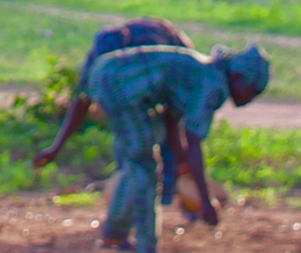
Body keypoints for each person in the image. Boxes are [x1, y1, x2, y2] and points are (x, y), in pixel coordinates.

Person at [85, 43, 272, 253]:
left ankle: (115, 235)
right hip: (119, 86)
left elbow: (173, 119)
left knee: (139, 160)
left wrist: (182, 164)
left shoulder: (205, 72)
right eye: (251, 90)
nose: (248, 99)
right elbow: (194, 143)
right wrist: (206, 201)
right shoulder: (214, 86)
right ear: (237, 76)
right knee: (144, 170)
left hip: (107, 72)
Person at [33, 18, 193, 213]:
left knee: (165, 145)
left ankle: (177, 198)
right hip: (137, 96)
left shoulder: (152, 50)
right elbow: (83, 99)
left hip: (170, 75)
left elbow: (172, 110)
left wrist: (182, 156)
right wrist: (56, 147)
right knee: (132, 150)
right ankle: (138, 206)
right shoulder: (99, 59)